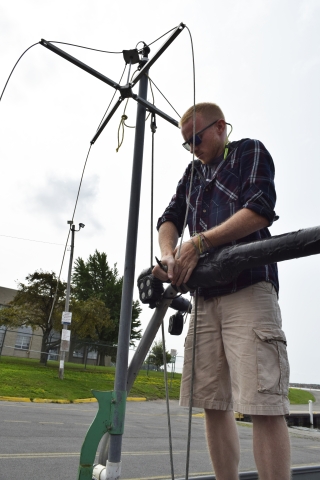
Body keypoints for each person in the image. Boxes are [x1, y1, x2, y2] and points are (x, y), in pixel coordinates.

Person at [152, 102, 290, 480]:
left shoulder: (249, 151)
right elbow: (169, 218)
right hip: (204, 298)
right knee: (212, 402)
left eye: (196, 138)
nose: (192, 147)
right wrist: (168, 256)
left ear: (220, 128)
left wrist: (199, 244)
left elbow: (260, 209)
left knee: (263, 403)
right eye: (186, 143)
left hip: (247, 287)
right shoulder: (192, 173)